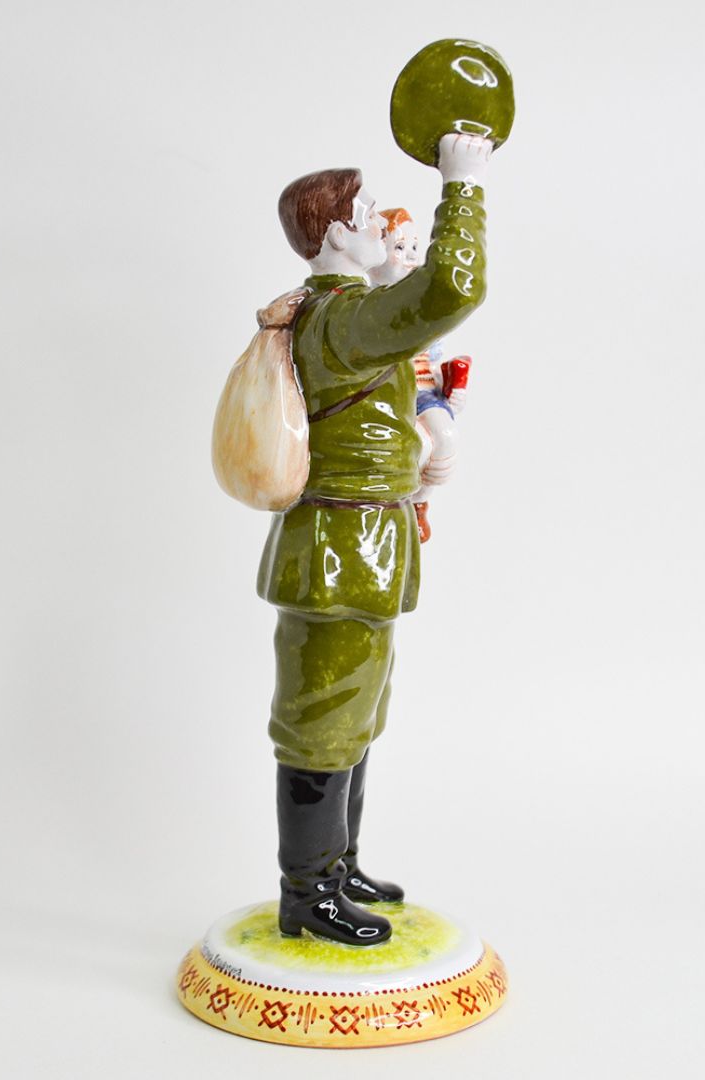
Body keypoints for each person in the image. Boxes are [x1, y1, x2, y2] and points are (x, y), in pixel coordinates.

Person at [259, 133, 493, 945]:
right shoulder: (345, 320)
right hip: (340, 547)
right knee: (322, 721)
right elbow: (453, 286)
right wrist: (462, 185)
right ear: (331, 234)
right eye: (361, 215)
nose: (375, 223)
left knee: (356, 713)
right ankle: (307, 892)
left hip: (364, 541)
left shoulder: (337, 315)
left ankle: (338, 865)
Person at [369, 209, 472, 542]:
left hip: (422, 391)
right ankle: (386, 505)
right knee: (412, 445)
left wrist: (451, 389)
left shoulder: (421, 313)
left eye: (414, 248)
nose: (411, 257)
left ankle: (419, 503)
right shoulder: (363, 310)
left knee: (446, 437)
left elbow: (430, 361)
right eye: (399, 248)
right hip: (382, 395)